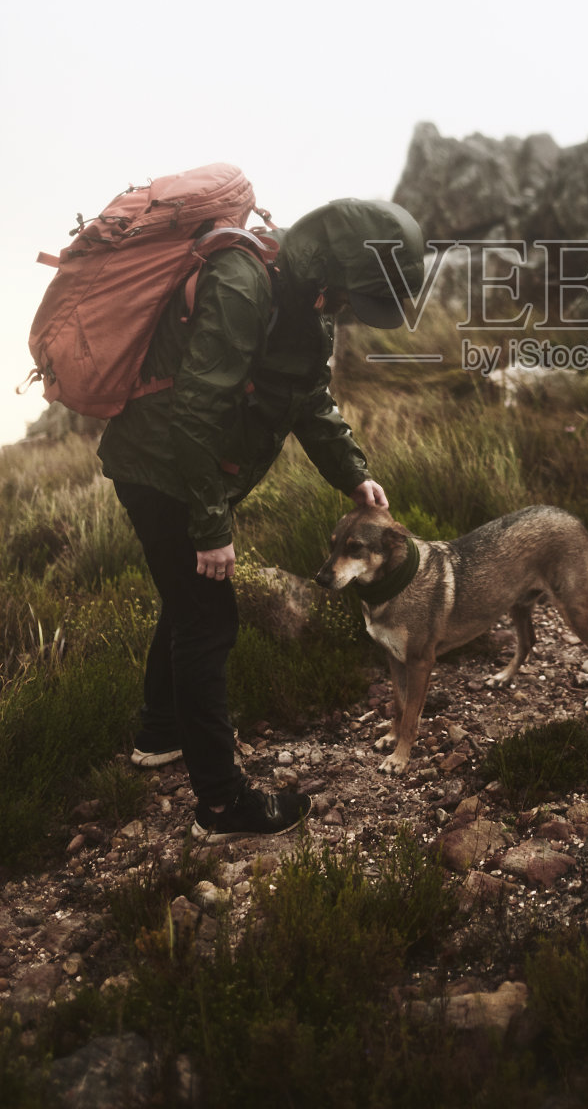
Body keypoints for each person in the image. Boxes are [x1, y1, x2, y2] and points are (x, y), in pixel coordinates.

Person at [98, 197, 424, 840]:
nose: (348, 308)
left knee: (182, 597)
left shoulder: (309, 300)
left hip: (189, 470)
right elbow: (194, 413)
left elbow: (309, 399)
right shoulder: (243, 284)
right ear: (329, 265)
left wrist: (352, 474)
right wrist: (212, 529)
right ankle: (222, 807)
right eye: (352, 294)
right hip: (160, 469)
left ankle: (159, 735)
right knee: (206, 620)